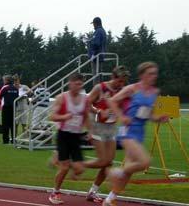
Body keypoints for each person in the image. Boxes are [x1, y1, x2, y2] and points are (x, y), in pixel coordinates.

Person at [103, 62, 168, 206]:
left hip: (140, 133)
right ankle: (115, 172)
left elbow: (149, 115)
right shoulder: (131, 89)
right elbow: (112, 101)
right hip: (128, 131)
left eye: (155, 73)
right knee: (145, 162)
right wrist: (121, 116)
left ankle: (109, 199)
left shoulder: (155, 92)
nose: (154, 76)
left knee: (129, 171)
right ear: (142, 75)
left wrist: (159, 118)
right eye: (151, 73)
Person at [83, 66, 130, 203]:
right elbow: (87, 104)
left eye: (124, 82)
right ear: (113, 77)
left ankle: (92, 191)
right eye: (120, 81)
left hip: (111, 128)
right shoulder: (100, 88)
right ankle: (78, 164)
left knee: (108, 162)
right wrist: (98, 111)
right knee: (104, 161)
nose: (122, 84)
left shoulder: (122, 91)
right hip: (98, 126)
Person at [48, 73, 91, 205]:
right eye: (77, 84)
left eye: (81, 84)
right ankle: (55, 192)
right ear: (70, 83)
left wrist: (90, 131)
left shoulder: (85, 99)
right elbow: (52, 116)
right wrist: (64, 117)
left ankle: (58, 158)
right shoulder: (62, 97)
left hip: (76, 136)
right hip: (63, 135)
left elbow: (86, 116)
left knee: (79, 169)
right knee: (65, 168)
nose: (79, 86)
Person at [0, 75, 19, 144]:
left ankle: (5, 140)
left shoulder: (4, 87)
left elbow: (0, 96)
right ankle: (13, 140)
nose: (3, 81)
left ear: (7, 80)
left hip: (6, 107)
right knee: (12, 124)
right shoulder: (15, 88)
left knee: (5, 124)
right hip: (13, 107)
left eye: (4, 80)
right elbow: (17, 97)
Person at [88, 17, 107, 85]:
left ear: (95, 23)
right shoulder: (102, 31)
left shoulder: (98, 31)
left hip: (96, 57)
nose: (93, 25)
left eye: (93, 24)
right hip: (100, 56)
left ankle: (96, 92)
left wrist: (93, 54)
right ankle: (100, 90)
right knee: (99, 75)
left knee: (96, 76)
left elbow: (96, 43)